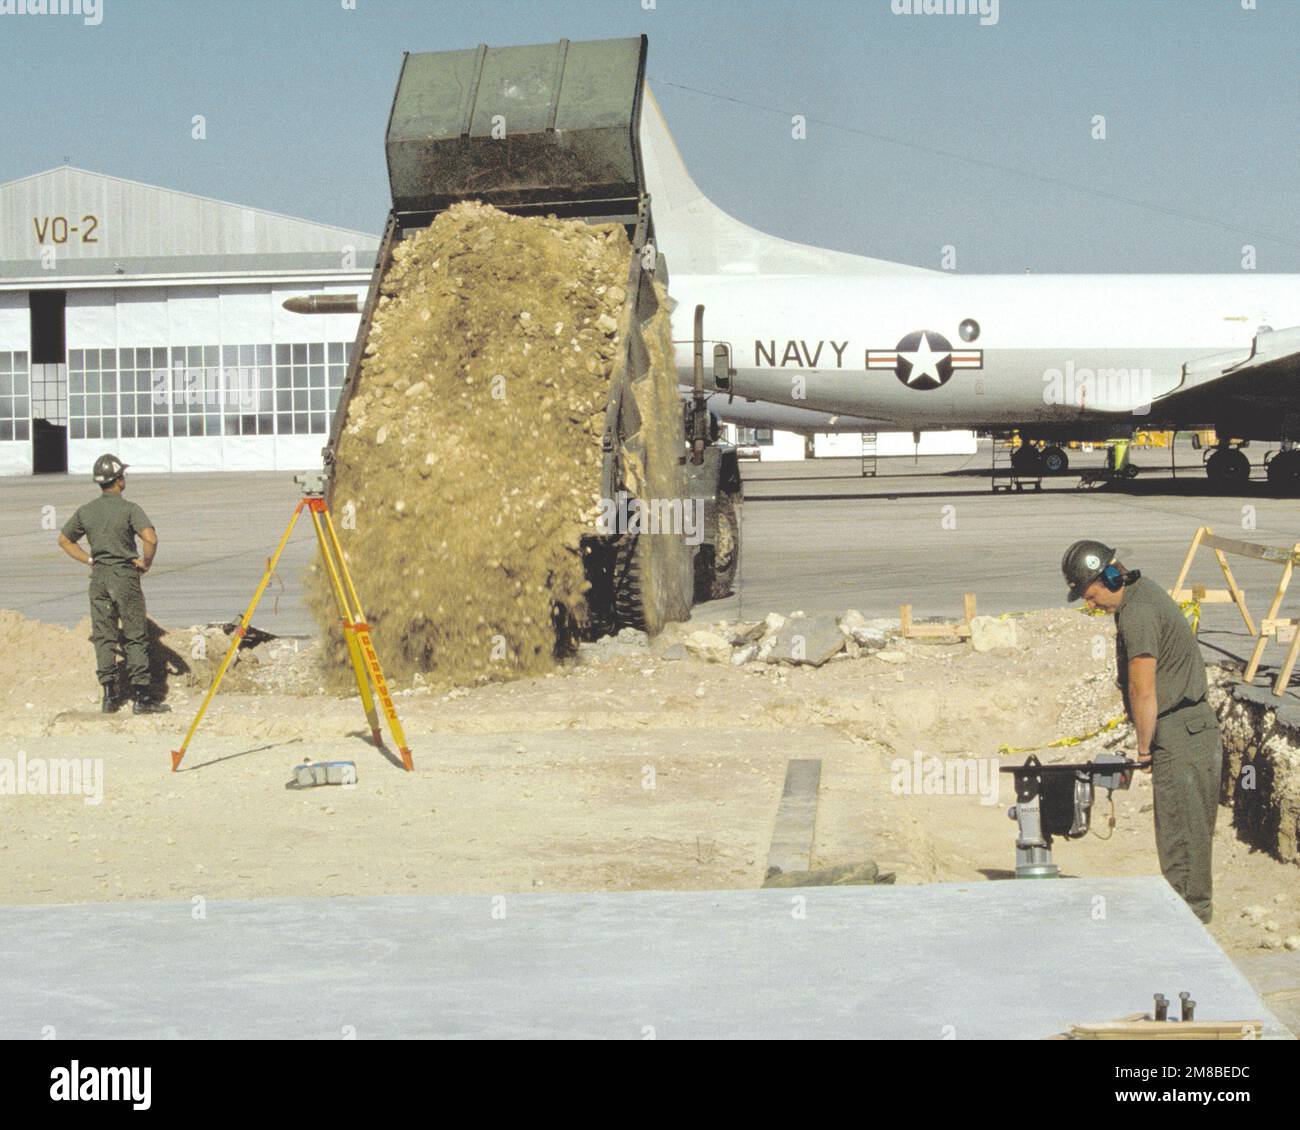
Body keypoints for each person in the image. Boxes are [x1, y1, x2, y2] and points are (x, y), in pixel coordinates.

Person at [1061, 539, 1222, 923]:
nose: (1090, 603)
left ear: (1111, 578)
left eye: (1090, 593)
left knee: (1181, 835)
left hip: (1180, 733)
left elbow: (1142, 689)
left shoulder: (1138, 613)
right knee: (1188, 831)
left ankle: (1188, 921)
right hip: (1190, 728)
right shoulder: (1140, 595)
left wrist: (1145, 748)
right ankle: (1191, 913)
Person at [57, 453, 169, 715]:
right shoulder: (130, 509)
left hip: (99, 578)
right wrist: (146, 563)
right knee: (135, 635)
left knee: (104, 636)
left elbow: (64, 539)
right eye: (123, 476)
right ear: (118, 480)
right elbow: (150, 538)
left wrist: (89, 559)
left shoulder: (86, 511)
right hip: (124, 576)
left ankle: (109, 695)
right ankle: (141, 697)